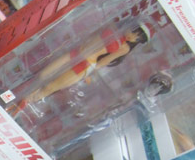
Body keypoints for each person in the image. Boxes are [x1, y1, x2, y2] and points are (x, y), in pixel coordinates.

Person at [8, 24, 154, 113]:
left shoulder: (124, 48)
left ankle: (23, 104)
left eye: (137, 38)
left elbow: (104, 62)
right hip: (75, 53)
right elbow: (90, 35)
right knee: (43, 74)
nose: (133, 37)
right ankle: (17, 95)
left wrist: (90, 74)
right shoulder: (112, 27)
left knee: (50, 87)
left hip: (85, 65)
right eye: (135, 32)